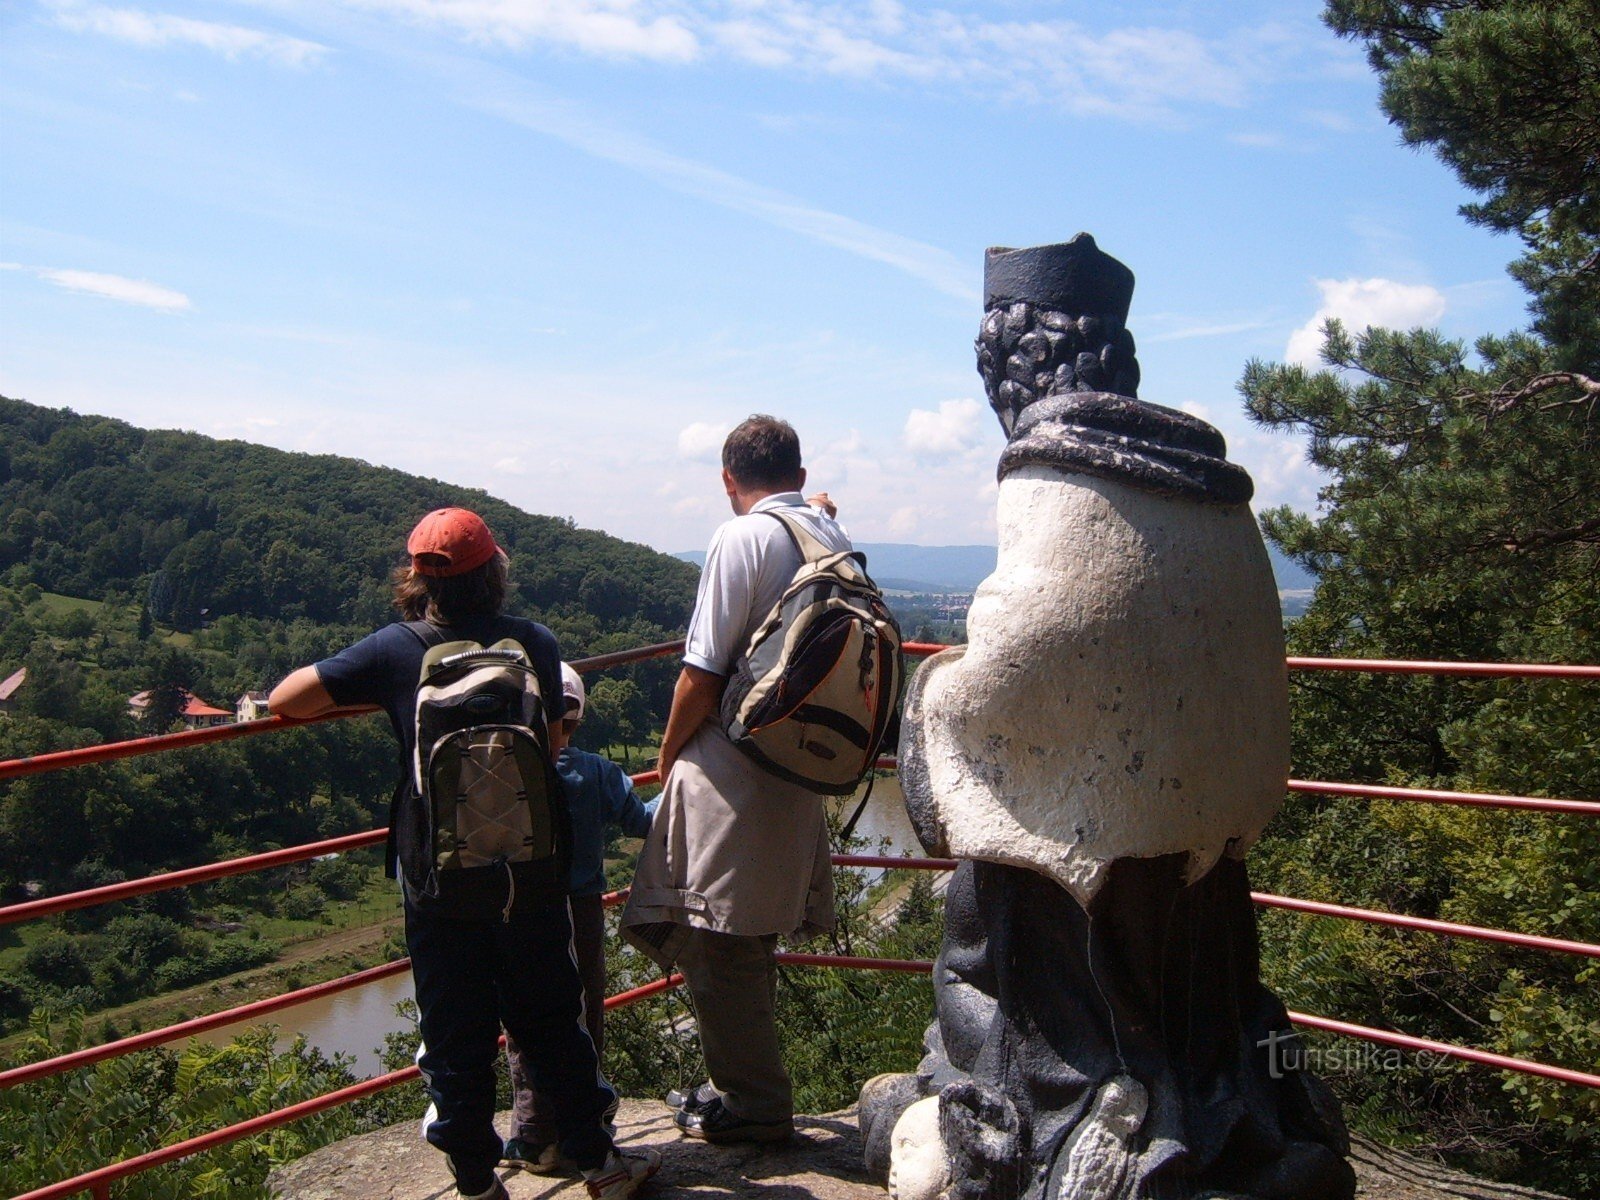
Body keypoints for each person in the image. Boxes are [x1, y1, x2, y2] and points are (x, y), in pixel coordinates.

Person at [269, 508, 660, 1200]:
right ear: (497, 572)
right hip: (532, 873)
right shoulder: (534, 642)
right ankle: (601, 1164)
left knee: (458, 1036)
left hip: (440, 883)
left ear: (416, 578)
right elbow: (554, 733)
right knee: (552, 1022)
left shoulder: (394, 650)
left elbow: (286, 702)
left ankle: (477, 1182)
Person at [620, 415, 851, 1144]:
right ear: (800, 473)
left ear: (729, 479)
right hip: (800, 766)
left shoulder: (740, 536)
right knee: (744, 941)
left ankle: (754, 1107)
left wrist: (667, 750)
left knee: (719, 940)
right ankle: (748, 1094)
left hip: (735, 771)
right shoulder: (831, 536)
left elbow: (703, 668)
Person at [503, 663, 659, 1172]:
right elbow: (644, 821)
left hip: (515, 909)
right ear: (578, 716)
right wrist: (683, 779)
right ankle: (581, 1126)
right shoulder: (595, 772)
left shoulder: (505, 768)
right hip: (579, 910)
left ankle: (531, 1133)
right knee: (582, 1015)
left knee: (523, 1019)